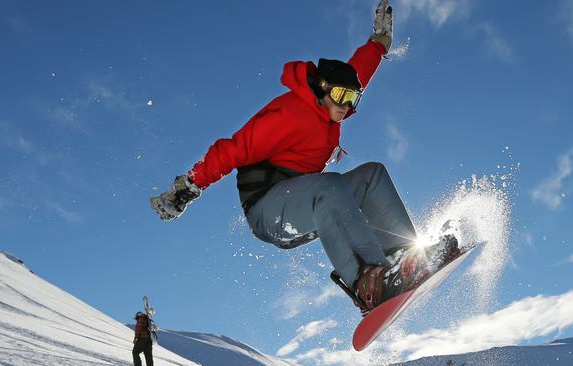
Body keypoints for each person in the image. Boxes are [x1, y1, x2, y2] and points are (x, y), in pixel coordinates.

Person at [150, 0, 459, 315]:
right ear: (322, 88)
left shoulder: (332, 106)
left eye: (353, 100)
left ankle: (402, 260)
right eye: (341, 97)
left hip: (305, 198)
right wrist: (188, 186)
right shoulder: (290, 113)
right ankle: (370, 282)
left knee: (372, 176)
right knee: (330, 186)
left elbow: (358, 72)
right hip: (267, 208)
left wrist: (378, 42)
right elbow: (233, 149)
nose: (347, 106)